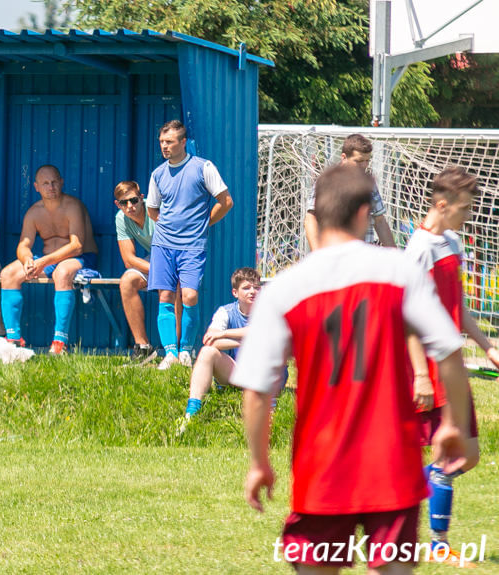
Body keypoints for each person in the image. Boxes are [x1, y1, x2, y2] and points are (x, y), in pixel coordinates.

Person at [233, 164, 472, 574]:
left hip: (322, 466)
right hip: (392, 463)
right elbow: (449, 351)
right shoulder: (399, 271)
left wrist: (259, 463)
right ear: (364, 213)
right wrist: (453, 422)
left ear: (318, 215)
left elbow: (256, 389)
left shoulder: (287, 288)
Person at [404, 165, 493, 566]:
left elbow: (457, 303)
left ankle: (402, 489)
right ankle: (437, 543)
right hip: (429, 365)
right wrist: (421, 374)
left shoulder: (452, 241)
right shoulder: (418, 249)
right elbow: (407, 316)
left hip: (451, 363)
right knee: (452, 454)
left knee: (468, 455)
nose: (468, 215)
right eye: (464, 208)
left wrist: (486, 345)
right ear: (441, 205)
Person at [147, 120, 233, 370]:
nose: (164, 146)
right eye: (162, 142)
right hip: (163, 244)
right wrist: (166, 225)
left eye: (170, 142)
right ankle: (170, 354)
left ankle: (186, 349)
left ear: (183, 142)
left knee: (190, 295)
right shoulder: (158, 173)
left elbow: (226, 201)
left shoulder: (203, 167)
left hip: (193, 246)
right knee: (165, 295)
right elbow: (152, 208)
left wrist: (204, 223)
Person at [0, 164, 98, 355]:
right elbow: (23, 245)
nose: (50, 187)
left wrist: (43, 262)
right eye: (45, 183)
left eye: (54, 182)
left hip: (80, 258)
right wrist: (28, 260)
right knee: (8, 274)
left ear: (61, 182)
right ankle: (13, 339)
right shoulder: (34, 212)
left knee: (62, 273)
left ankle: (60, 343)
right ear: (36, 186)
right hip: (48, 260)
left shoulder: (73, 206)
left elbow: (77, 246)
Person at [176, 267, 286, 435]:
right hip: (239, 372)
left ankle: (269, 412)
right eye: (247, 288)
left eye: (257, 287)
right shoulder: (225, 311)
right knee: (207, 352)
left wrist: (225, 334)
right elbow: (210, 339)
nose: (253, 291)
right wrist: (241, 339)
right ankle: (192, 412)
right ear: (235, 292)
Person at [113, 180, 182, 362]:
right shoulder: (121, 218)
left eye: (134, 200)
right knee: (127, 281)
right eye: (123, 203)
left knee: (171, 286)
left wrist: (164, 271)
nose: (130, 206)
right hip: (156, 260)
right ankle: (144, 348)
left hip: (178, 254)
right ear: (117, 204)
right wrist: (160, 270)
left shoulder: (156, 211)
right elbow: (129, 259)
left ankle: (176, 350)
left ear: (142, 198)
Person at [304, 133, 395, 251]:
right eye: (359, 161)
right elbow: (310, 218)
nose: (364, 165)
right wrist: (317, 253)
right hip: (334, 255)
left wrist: (395, 253)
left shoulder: (369, 184)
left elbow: (380, 221)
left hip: (363, 257)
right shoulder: (328, 181)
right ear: (343, 157)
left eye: (367, 161)